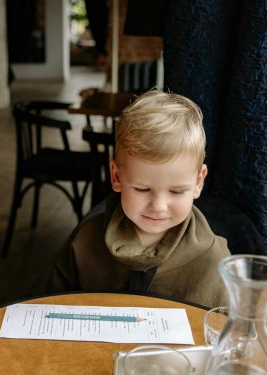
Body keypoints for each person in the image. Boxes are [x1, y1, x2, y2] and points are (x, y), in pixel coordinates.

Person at [49, 89, 230, 308]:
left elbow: (222, 332)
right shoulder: (84, 242)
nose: (158, 207)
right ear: (116, 177)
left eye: (176, 191)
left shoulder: (212, 258)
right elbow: (51, 307)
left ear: (198, 183)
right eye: (142, 189)